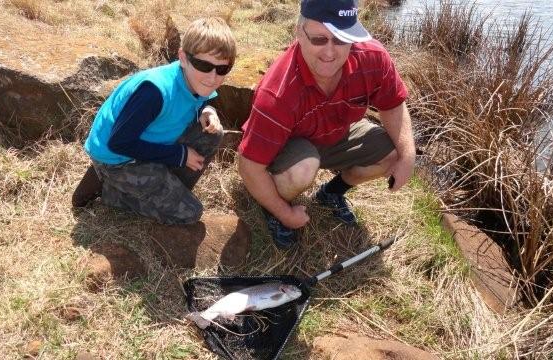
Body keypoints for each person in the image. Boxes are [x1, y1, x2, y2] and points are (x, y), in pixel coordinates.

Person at [237, 0, 415, 249]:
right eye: (319, 39)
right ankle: (273, 211)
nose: (330, 52)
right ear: (299, 32)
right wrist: (285, 214)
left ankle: (331, 192)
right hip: (289, 146)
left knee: (394, 152)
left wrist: (408, 156)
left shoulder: (373, 57)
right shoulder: (277, 94)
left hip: (337, 134)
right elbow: (249, 166)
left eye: (341, 39)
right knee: (303, 169)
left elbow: (392, 104)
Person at [71, 17, 236, 225]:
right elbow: (119, 142)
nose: (213, 77)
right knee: (190, 213)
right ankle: (111, 191)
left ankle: (163, 187)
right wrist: (179, 155)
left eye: (222, 69)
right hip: (118, 159)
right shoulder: (154, 92)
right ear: (183, 58)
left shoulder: (197, 79)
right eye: (204, 65)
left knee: (213, 134)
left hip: (151, 142)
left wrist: (208, 110)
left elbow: (201, 100)